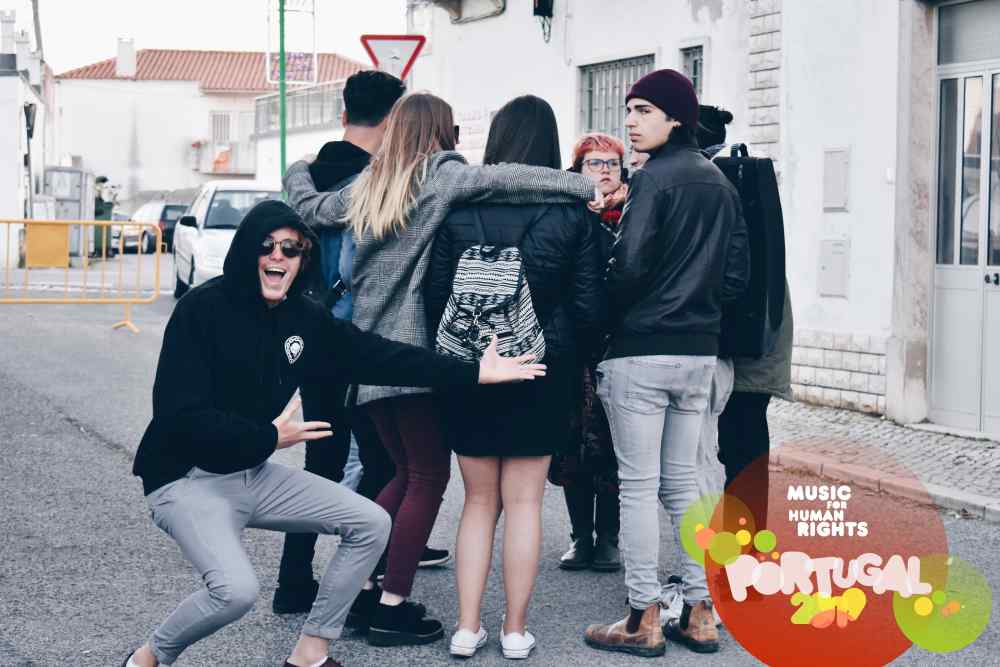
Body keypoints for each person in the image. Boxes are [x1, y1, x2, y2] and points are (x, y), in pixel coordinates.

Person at [122, 200, 546, 667]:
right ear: (247, 251)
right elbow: (178, 416)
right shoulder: (202, 310)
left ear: (302, 260)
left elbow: (378, 355)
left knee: (371, 523)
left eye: (291, 249)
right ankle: (147, 658)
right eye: (267, 246)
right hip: (185, 480)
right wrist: (266, 438)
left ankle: (310, 654)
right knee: (235, 591)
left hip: (249, 473)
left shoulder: (303, 317)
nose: (278, 256)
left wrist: (474, 372)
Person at [284, 93, 599, 647]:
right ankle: (402, 607)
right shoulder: (445, 177)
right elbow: (513, 176)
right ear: (439, 133)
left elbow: (312, 209)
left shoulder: (370, 186)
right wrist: (585, 186)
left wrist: (296, 169)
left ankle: (402, 603)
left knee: (414, 480)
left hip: (373, 355)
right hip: (435, 360)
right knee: (440, 482)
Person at [424, 95, 605, 659]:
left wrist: (462, 356)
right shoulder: (573, 214)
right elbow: (589, 307)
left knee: (478, 502)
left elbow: (435, 297)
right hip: (541, 369)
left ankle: (466, 627)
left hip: (472, 369)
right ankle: (514, 631)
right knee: (525, 504)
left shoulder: (458, 210)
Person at [582, 69, 749, 658]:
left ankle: (642, 616)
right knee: (683, 485)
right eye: (630, 109)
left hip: (642, 351)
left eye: (645, 110)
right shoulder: (720, 182)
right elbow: (737, 277)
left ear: (677, 118)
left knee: (637, 486)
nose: (631, 121)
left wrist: (615, 306)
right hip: (698, 353)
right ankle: (700, 612)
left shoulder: (652, 180)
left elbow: (627, 267)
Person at [274, 69, 416, 617]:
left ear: (343, 114)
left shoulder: (305, 177)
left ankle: (293, 581)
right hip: (364, 337)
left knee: (322, 460)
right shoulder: (385, 182)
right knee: (384, 462)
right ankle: (360, 583)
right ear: (394, 119)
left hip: (311, 335)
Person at [549, 132, 627, 573]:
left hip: (618, 345)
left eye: (612, 163)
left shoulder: (634, 211)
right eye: (595, 163)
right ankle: (581, 535)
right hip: (575, 348)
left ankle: (609, 537)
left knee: (613, 444)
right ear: (577, 170)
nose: (605, 171)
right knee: (573, 444)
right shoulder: (568, 213)